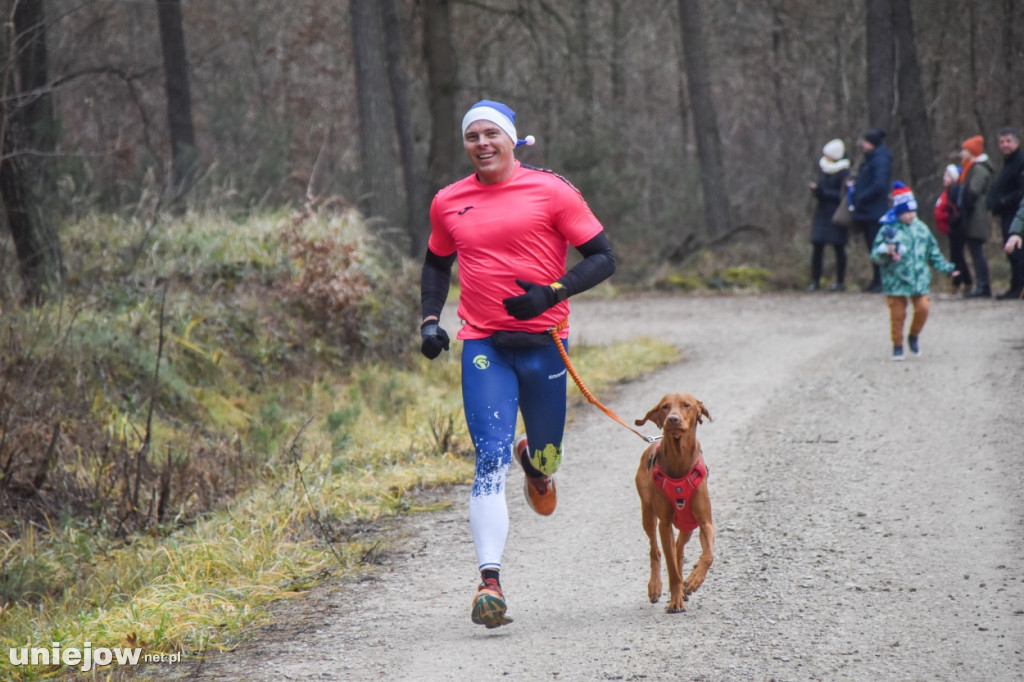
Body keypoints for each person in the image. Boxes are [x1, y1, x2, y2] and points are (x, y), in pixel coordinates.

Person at [418, 99, 615, 628]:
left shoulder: (552, 190)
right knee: (488, 457)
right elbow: (437, 263)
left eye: (491, 135)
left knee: (548, 456)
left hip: (544, 341)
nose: (481, 144)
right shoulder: (448, 201)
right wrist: (429, 322)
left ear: (511, 140)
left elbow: (603, 258)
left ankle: (538, 464)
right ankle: (490, 583)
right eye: (472, 137)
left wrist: (552, 293)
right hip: (484, 344)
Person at [871, 183, 958, 361]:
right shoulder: (888, 229)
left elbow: (933, 254)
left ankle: (914, 335)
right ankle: (897, 345)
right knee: (897, 316)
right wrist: (885, 252)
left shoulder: (922, 230)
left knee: (923, 308)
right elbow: (875, 256)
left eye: (913, 211)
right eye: (906, 212)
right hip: (895, 282)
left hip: (919, 281)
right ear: (898, 212)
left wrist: (948, 269)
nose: (910, 215)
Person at [849, 128, 893, 292]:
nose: (862, 145)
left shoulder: (881, 159)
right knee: (872, 246)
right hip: (867, 211)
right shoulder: (870, 159)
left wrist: (862, 196)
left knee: (878, 245)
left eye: (865, 142)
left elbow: (879, 185)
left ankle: (881, 280)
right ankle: (876, 280)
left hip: (875, 211)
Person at [807, 138, 851, 291]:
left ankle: (840, 281)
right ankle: (815, 280)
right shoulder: (823, 168)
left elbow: (841, 194)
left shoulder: (844, 172)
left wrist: (822, 192)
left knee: (839, 248)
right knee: (817, 246)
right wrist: (817, 192)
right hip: (822, 212)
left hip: (837, 213)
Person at [986, 127, 1024, 299]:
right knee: (1011, 252)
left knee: (1017, 252)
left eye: (1008, 141)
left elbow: (1020, 190)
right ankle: (1015, 286)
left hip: (1016, 212)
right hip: (1006, 213)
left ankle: (1019, 287)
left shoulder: (1020, 162)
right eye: (1002, 142)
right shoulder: (1008, 163)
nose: (1005, 145)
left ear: (1017, 143)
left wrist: (1003, 201)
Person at [956, 135, 995, 298]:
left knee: (977, 251)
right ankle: (981, 284)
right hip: (972, 214)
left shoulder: (979, 169)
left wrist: (965, 206)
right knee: (974, 250)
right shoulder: (972, 167)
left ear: (972, 152)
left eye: (964, 151)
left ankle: (983, 285)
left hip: (976, 215)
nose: (961, 154)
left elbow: (973, 191)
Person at [934, 164, 968, 292]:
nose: (944, 177)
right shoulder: (947, 191)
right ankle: (963, 281)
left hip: (956, 229)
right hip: (950, 229)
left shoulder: (955, 190)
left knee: (957, 257)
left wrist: (952, 222)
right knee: (957, 256)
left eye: (948, 175)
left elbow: (956, 210)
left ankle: (959, 282)